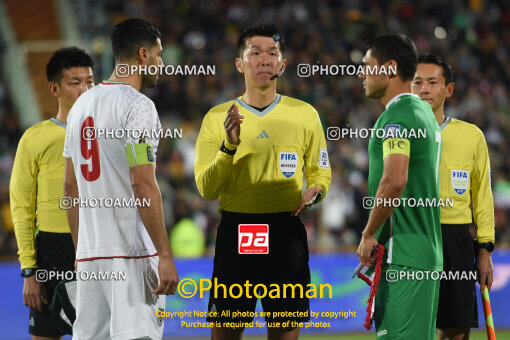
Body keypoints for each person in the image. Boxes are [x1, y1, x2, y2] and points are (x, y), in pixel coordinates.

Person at [194, 23, 331, 340]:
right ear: (240, 63)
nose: (265, 59)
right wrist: (229, 147)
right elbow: (207, 188)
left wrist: (317, 190)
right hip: (238, 230)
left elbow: (321, 170)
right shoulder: (218, 117)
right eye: (255, 52)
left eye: (273, 53)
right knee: (226, 332)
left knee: (285, 332)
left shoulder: (305, 114)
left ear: (282, 64)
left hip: (286, 232)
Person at [63, 18, 179, 340]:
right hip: (131, 255)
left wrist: (80, 253)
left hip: (89, 255)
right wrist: (165, 255)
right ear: (142, 55)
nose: (161, 63)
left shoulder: (79, 107)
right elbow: (142, 184)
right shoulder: (138, 107)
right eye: (158, 55)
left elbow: (70, 189)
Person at [356, 34, 442, 339]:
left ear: (390, 68)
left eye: (367, 66)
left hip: (404, 254)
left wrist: (368, 234)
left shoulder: (399, 115)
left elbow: (394, 181)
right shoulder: (423, 113)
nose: (361, 73)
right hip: (419, 251)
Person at [10, 47, 94, 340]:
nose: (85, 88)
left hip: (98, 244)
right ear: (54, 88)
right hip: (52, 249)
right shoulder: (35, 138)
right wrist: (29, 270)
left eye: (89, 81)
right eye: (75, 82)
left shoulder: (108, 135)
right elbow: (21, 207)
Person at [412, 53, 495, 340]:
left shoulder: (471, 136)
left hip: (456, 239)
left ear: (448, 90)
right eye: (417, 82)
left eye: (432, 82)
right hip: (412, 236)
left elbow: (482, 195)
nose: (424, 89)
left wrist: (484, 248)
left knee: (456, 331)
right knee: (409, 328)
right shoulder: (395, 132)